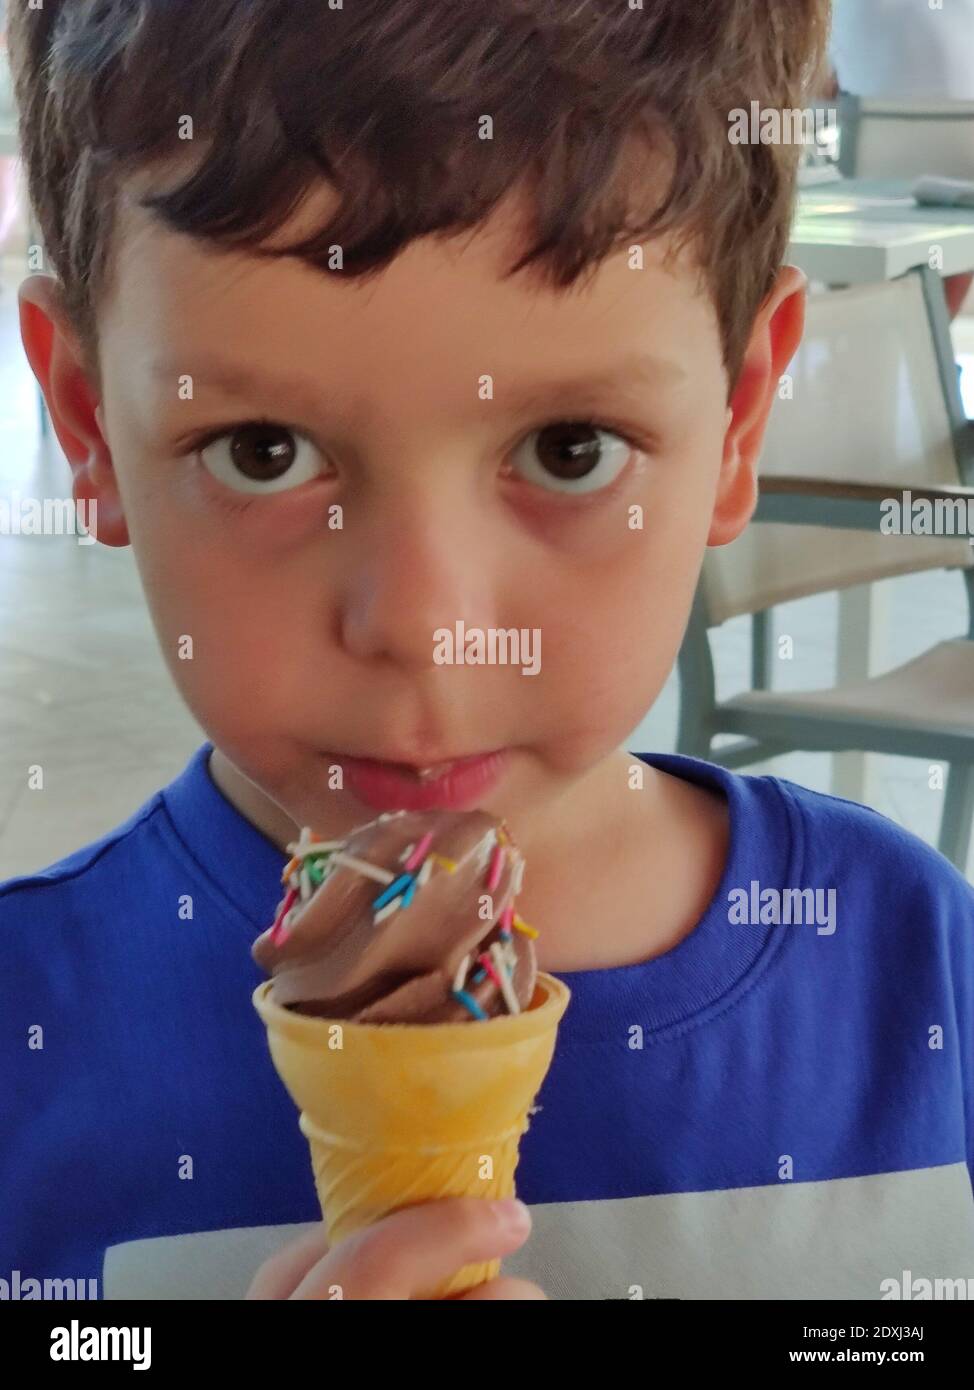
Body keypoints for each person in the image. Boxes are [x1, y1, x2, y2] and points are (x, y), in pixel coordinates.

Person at [1, 0, 972, 1302]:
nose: (424, 625)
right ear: (89, 421)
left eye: (570, 447)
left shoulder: (919, 972)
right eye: (261, 450)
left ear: (737, 425)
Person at [830, 0, 974, 317]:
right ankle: (936, 341)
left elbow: (819, 83)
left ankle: (860, 333)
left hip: (864, 183)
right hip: (959, 178)